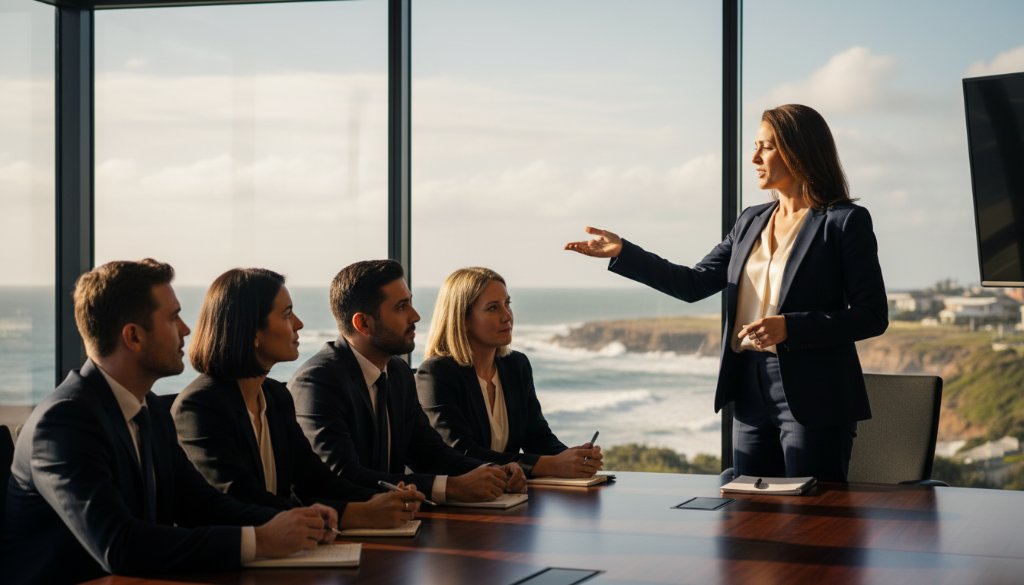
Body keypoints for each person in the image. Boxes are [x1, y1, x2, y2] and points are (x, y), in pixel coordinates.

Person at [565, 104, 888, 482]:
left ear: (798, 150)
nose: (754, 157)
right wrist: (624, 252)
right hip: (748, 387)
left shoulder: (844, 222)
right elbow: (693, 283)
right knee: (748, 515)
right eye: (755, 146)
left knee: (813, 519)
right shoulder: (750, 219)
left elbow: (871, 314)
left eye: (766, 147)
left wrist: (791, 327)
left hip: (813, 394)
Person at [0, 260, 335, 585]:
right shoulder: (63, 422)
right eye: (173, 318)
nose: (187, 329)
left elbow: (200, 504)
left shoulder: (150, 410)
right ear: (134, 337)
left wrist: (296, 523)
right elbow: (119, 545)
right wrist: (259, 542)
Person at [172, 268, 424, 531]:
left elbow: (316, 480)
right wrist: (352, 514)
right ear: (252, 331)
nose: (299, 324)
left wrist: (384, 499)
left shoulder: (275, 396)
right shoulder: (200, 406)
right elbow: (240, 498)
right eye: (286, 314)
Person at [289, 259, 526, 503]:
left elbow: (429, 452)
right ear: (363, 323)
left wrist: (492, 471)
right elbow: (343, 475)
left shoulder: (398, 372)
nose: (415, 316)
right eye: (401, 307)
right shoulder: (318, 381)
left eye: (410, 303)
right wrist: (450, 487)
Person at [416, 267, 603, 478]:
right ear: (463, 319)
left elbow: (537, 437)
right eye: (493, 308)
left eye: (507, 304)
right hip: (458, 503)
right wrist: (549, 465)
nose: (507, 316)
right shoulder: (436, 373)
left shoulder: (516, 365)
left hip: (507, 497)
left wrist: (573, 457)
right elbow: (461, 452)